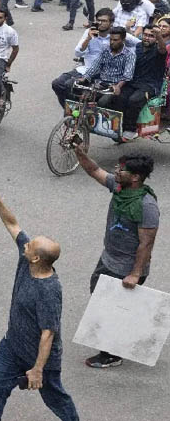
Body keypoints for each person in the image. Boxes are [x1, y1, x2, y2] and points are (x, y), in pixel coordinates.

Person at [0, 173, 79, 421]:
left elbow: (48, 333)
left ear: (36, 258)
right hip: (12, 346)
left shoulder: (48, 290)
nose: (24, 244)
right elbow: (12, 224)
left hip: (40, 357)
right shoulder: (28, 263)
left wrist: (37, 369)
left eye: (30, 246)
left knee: (55, 398)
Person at [74, 146, 160, 358]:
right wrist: (79, 153)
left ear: (136, 177)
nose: (116, 171)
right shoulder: (120, 187)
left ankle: (111, 355)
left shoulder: (146, 205)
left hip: (126, 268)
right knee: (100, 299)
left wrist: (135, 274)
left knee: (111, 311)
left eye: (121, 169)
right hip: (109, 258)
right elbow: (94, 170)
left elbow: (146, 244)